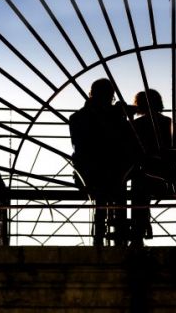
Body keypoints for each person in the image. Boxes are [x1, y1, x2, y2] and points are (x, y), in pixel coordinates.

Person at [68, 78, 138, 246]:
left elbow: (79, 148)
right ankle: (121, 236)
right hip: (113, 172)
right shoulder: (116, 116)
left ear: (91, 93)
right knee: (119, 193)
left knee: (100, 199)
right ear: (109, 96)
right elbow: (124, 141)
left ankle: (99, 237)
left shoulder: (77, 117)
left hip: (89, 172)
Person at [130, 89, 176, 244]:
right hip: (169, 176)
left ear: (139, 105)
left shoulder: (135, 125)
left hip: (143, 177)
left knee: (138, 192)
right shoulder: (169, 122)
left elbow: (129, 153)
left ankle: (138, 233)